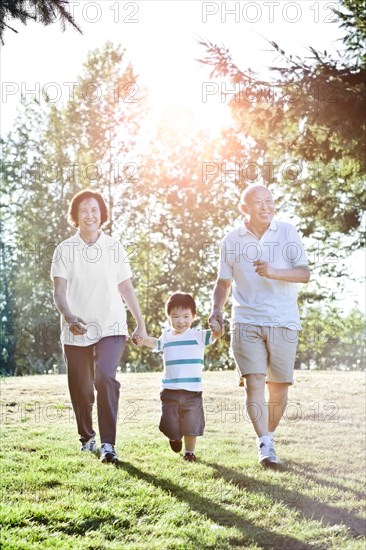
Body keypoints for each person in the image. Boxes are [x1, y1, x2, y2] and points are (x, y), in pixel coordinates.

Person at [209, 184, 310, 466]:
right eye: (259, 202)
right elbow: (223, 282)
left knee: (279, 388)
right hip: (246, 320)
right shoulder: (231, 240)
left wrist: (273, 271)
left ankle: (269, 436)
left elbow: (304, 274)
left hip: (283, 320)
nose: (266, 206)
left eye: (270, 201)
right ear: (245, 208)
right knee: (254, 381)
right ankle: (264, 445)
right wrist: (216, 310)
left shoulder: (287, 232)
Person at [51, 189, 147, 464]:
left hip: (111, 325)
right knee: (80, 388)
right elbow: (59, 291)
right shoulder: (65, 249)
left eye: (94, 210)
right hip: (76, 327)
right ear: (75, 216)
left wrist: (139, 322)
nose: (90, 215)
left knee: (105, 377)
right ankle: (87, 438)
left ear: (101, 214)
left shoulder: (114, 247)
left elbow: (126, 287)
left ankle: (108, 444)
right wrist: (70, 317)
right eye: (84, 210)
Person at [136, 292, 223, 461]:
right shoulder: (167, 336)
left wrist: (217, 327)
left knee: (191, 425)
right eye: (175, 316)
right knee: (170, 423)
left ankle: (190, 453)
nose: (180, 321)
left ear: (193, 316)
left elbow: (217, 335)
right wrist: (142, 340)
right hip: (170, 390)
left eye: (185, 316)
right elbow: (153, 342)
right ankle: (174, 437)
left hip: (192, 392)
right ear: (169, 317)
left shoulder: (198, 335)